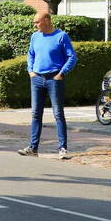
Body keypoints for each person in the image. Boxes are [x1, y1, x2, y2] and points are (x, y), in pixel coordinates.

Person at [19, 11, 77, 159]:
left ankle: (62, 149)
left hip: (54, 79)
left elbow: (72, 57)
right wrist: (30, 71)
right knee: (36, 114)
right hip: (37, 79)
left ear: (47, 20)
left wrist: (61, 73)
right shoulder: (35, 36)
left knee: (58, 114)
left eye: (37, 22)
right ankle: (33, 148)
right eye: (34, 22)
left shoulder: (61, 36)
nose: (35, 25)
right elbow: (30, 54)